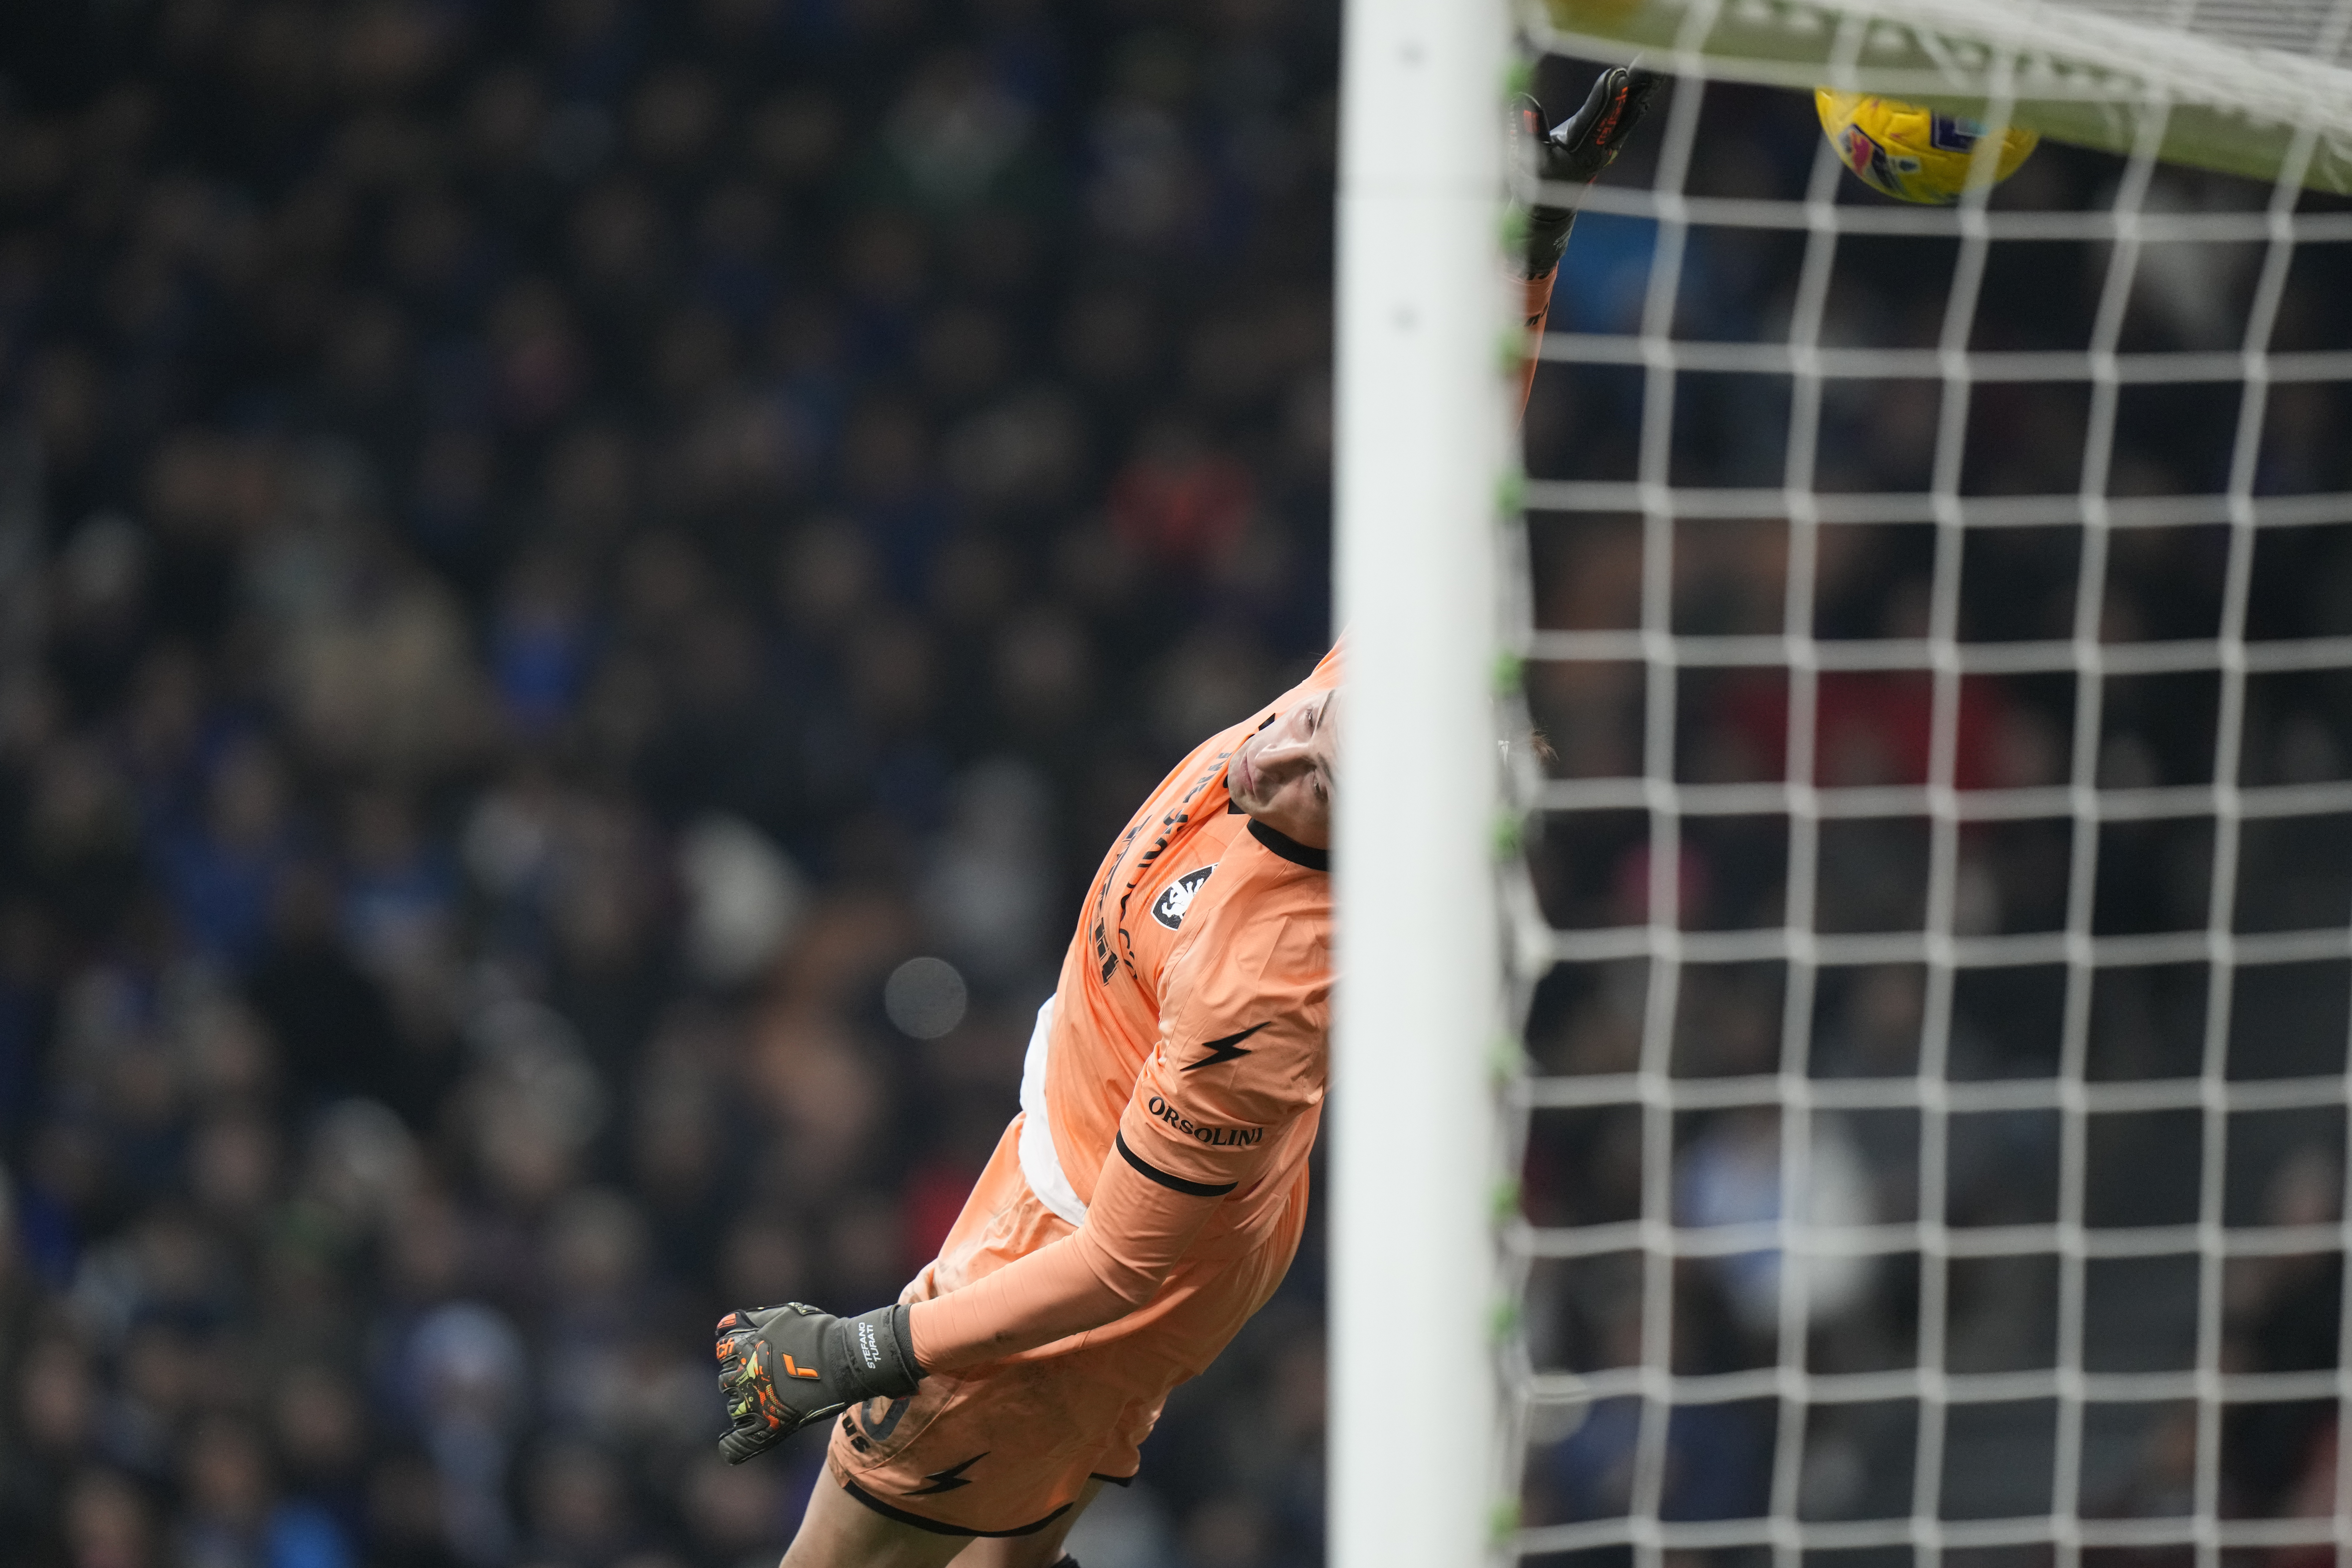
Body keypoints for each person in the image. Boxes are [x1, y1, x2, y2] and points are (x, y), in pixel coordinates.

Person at [711, 66, 1661, 1568]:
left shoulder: (1265, 988)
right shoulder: (1377, 690)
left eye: (1326, 753)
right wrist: (1529, 243)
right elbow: (1470, 458)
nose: (1285, 733)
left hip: (1074, 1276)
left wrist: (867, 1344)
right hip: (1077, 1176)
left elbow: (1111, 1270)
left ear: (1378, 819)